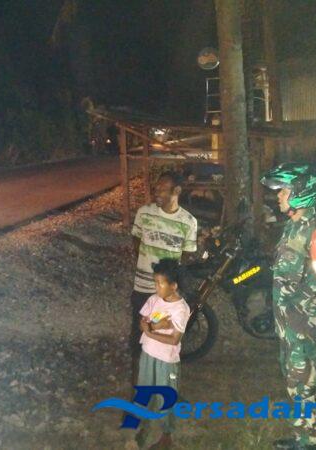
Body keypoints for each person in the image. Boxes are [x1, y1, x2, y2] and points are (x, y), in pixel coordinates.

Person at [260, 163, 316, 450]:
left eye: (284, 190)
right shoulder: (293, 226)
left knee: (304, 383)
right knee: (295, 381)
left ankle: (310, 440)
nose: (278, 195)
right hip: (289, 324)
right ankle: (304, 434)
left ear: (302, 193)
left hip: (304, 325)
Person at [129, 171, 197, 377]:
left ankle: (162, 380)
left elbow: (186, 256)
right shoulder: (144, 213)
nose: (156, 192)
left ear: (177, 191)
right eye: (156, 188)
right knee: (138, 337)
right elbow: (136, 242)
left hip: (167, 296)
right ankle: (139, 385)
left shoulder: (189, 222)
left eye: (162, 189)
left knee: (165, 338)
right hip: (143, 288)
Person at [133, 258, 190, 450]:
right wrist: (155, 327)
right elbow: (142, 323)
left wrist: (149, 331)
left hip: (166, 360)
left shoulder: (181, 309)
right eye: (155, 282)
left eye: (160, 283)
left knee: (165, 397)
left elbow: (174, 340)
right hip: (148, 354)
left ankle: (167, 435)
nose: (156, 287)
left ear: (173, 286)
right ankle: (143, 426)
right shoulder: (153, 300)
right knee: (145, 390)